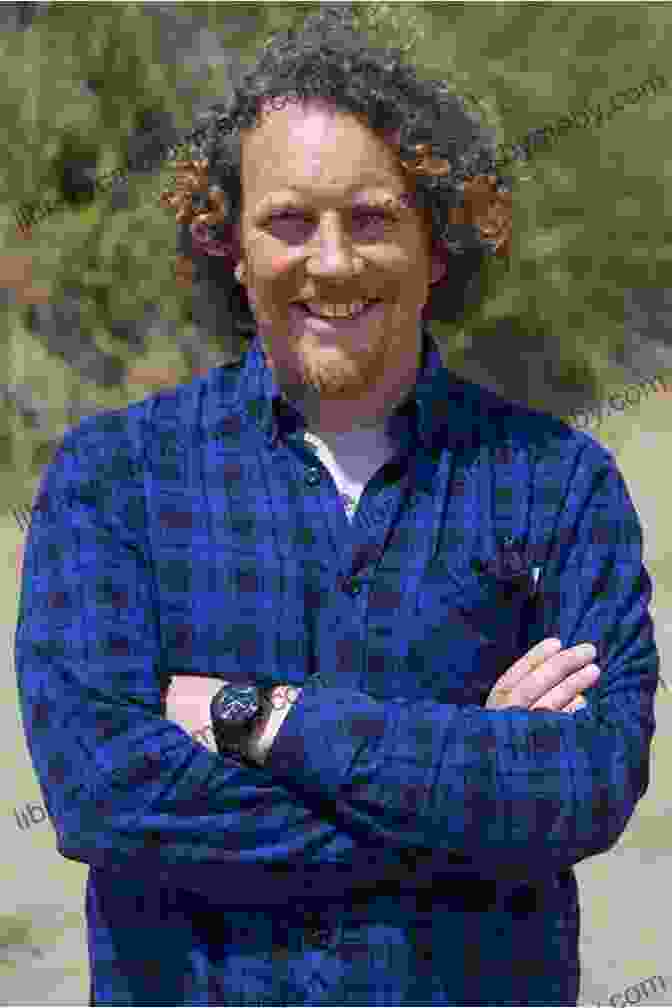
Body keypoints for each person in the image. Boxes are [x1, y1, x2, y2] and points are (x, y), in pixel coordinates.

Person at [15, 8, 658, 1006]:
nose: (329, 262)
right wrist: (468, 779)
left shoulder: (557, 483)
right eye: (287, 221)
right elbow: (104, 798)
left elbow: (584, 788)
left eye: (370, 218)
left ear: (436, 242)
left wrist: (258, 719)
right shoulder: (114, 481)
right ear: (227, 242)